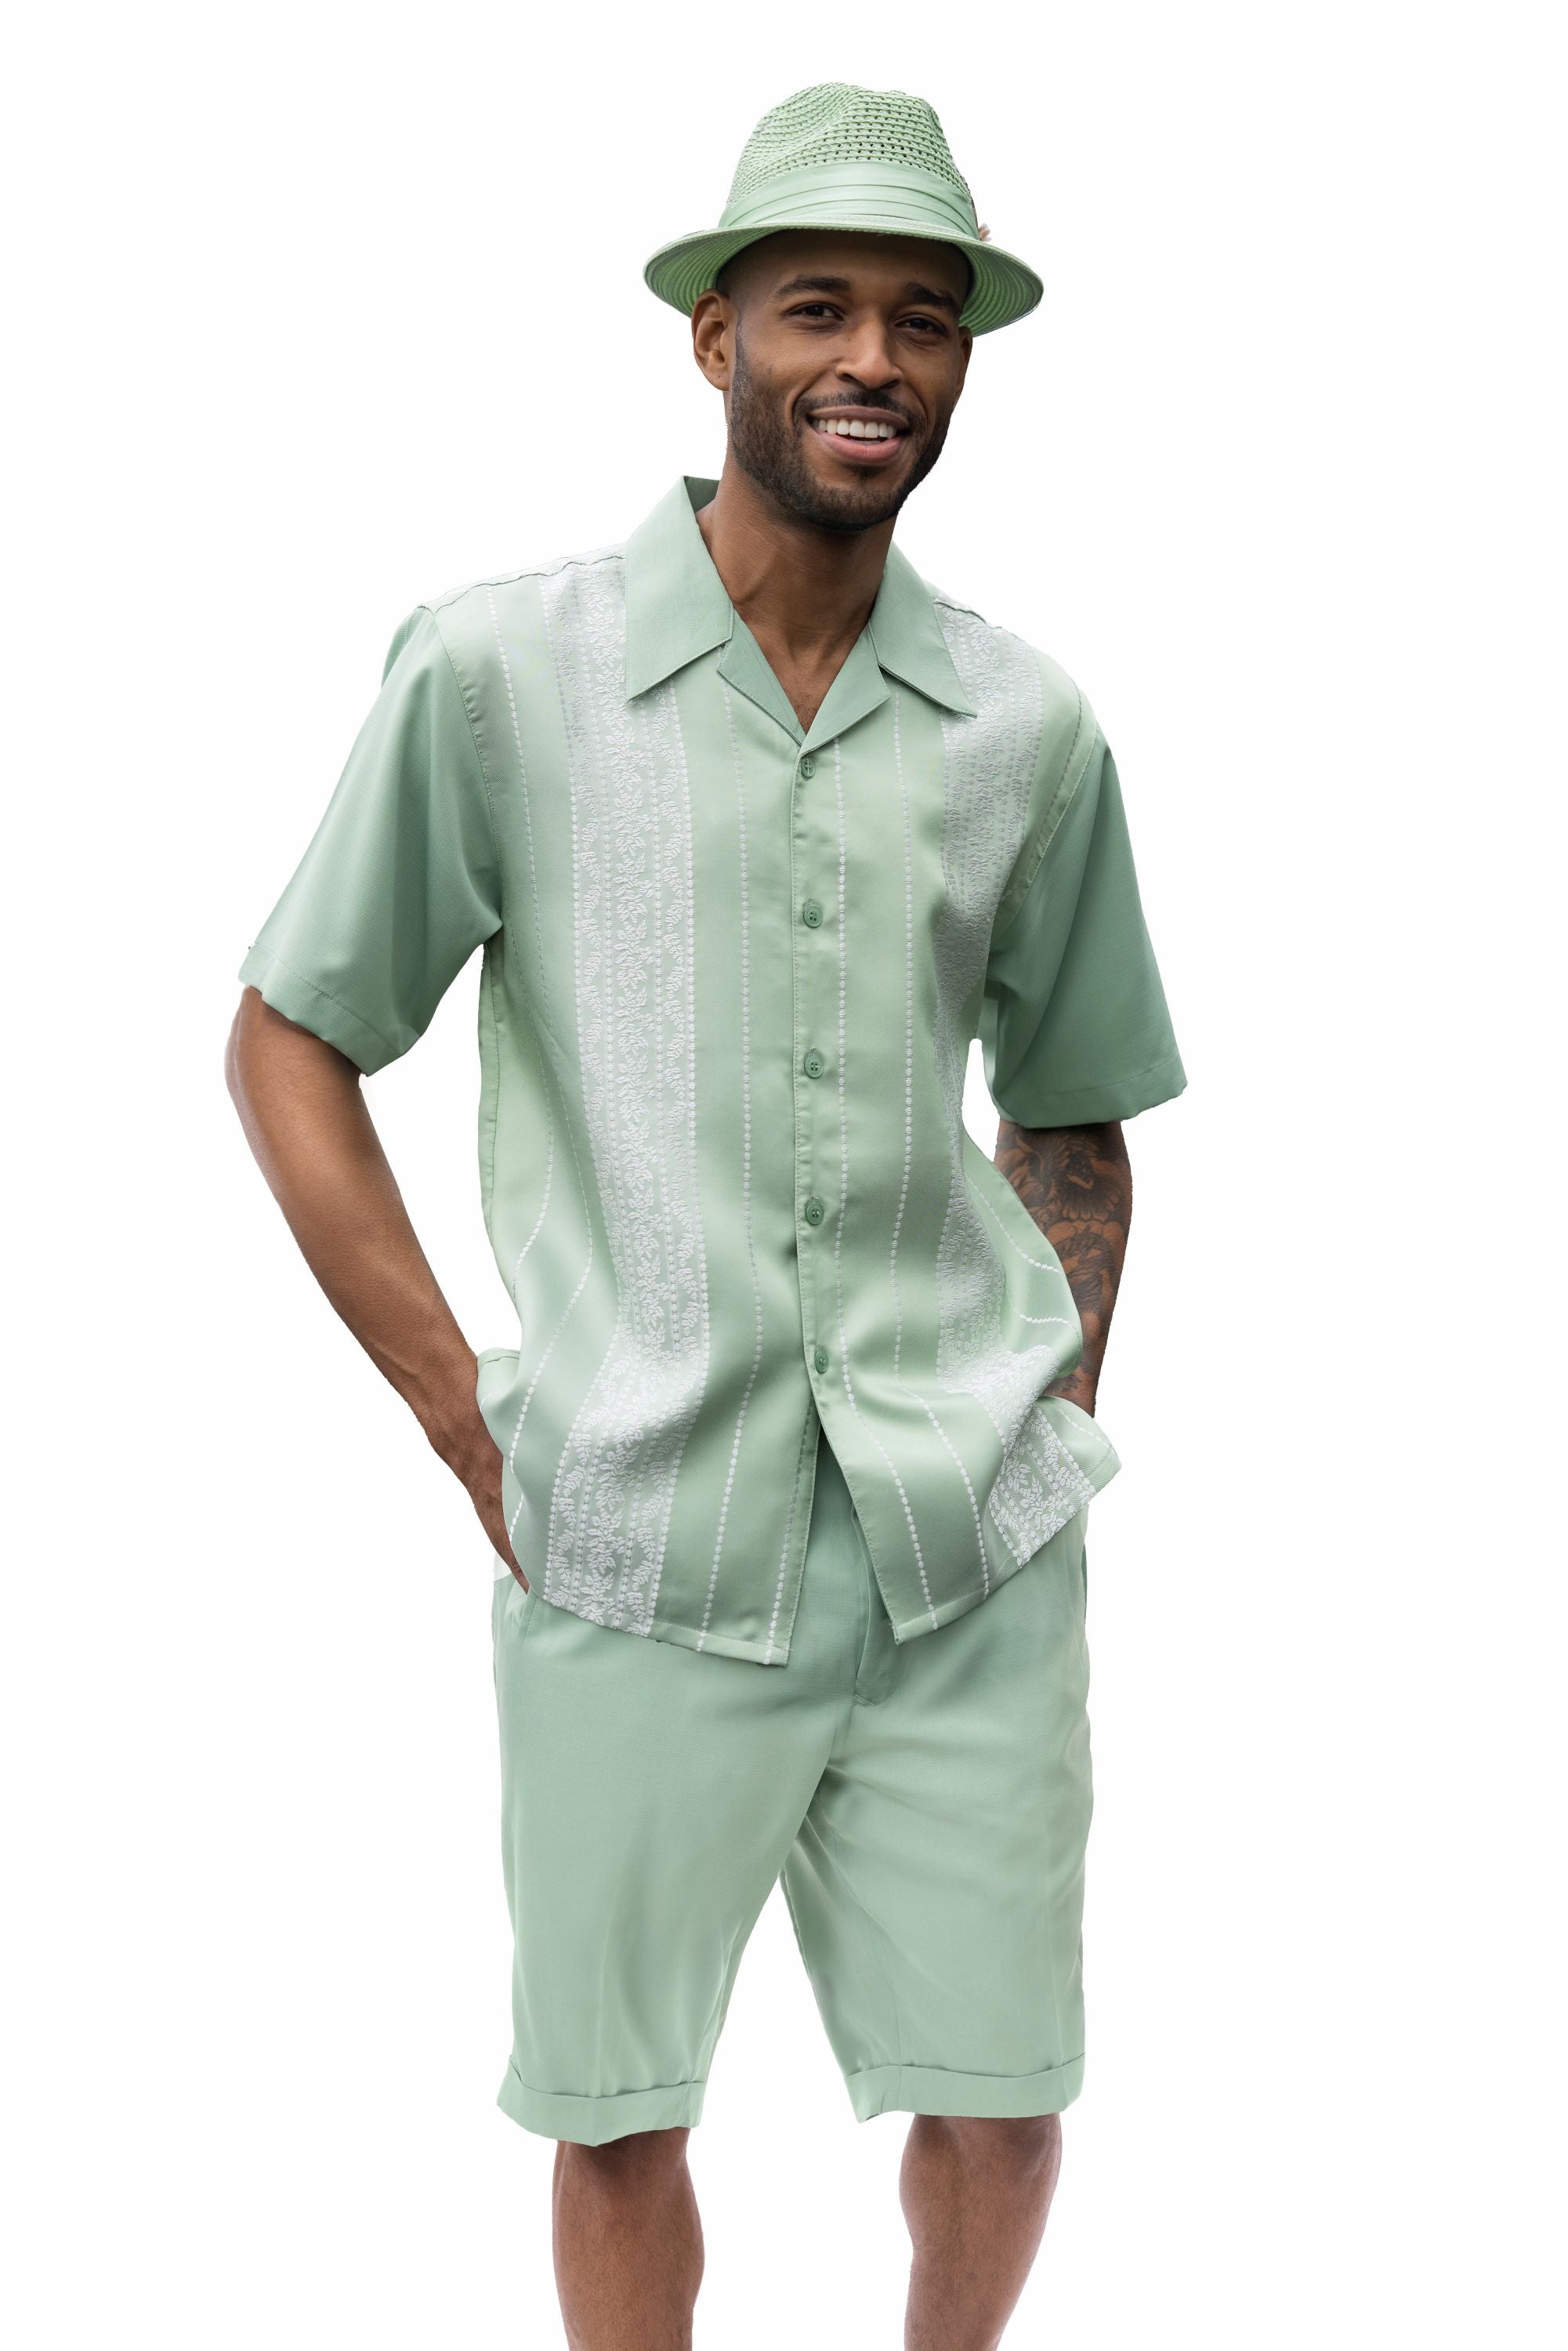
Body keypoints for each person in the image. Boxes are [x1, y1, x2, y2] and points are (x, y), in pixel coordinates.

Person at [227, 80, 1186, 2351]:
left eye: (923, 321)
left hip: (967, 1555)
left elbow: (1073, 1111)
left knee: (1005, 2101)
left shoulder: (1024, 725)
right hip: (638, 1532)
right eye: (819, 307)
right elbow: (290, 1038)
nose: (874, 359)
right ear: (714, 338)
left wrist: (1041, 1417)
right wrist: (465, 1416)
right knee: (617, 2110)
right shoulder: (499, 676)